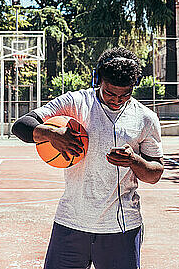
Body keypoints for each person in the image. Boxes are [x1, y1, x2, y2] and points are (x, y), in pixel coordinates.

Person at [12, 47, 163, 269]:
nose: (117, 101)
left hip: (120, 227)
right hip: (71, 222)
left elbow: (155, 173)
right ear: (98, 79)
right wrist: (52, 134)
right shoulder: (76, 102)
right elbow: (21, 126)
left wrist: (133, 161)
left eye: (125, 94)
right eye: (110, 93)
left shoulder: (145, 118)